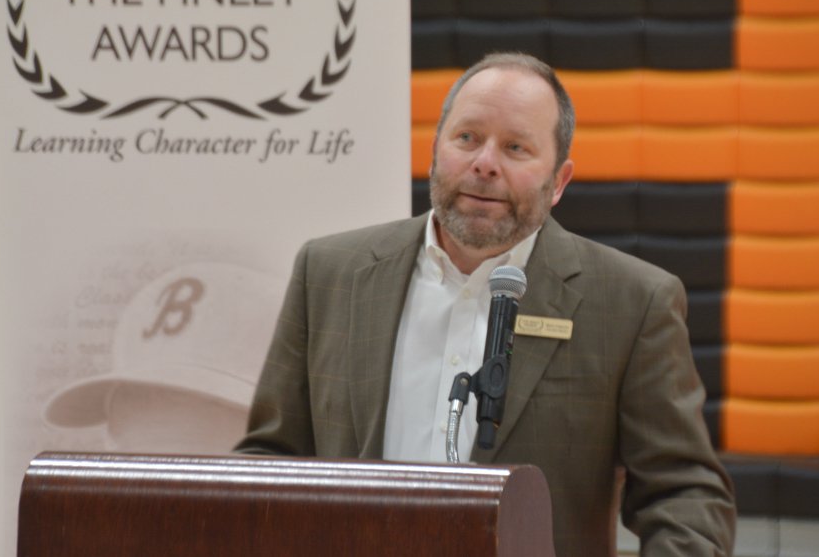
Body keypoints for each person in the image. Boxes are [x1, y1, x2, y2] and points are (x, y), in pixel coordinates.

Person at [237, 52, 736, 556]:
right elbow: (269, 462)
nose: (485, 163)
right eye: (467, 138)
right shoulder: (329, 274)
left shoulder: (630, 303)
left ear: (559, 181)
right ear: (435, 152)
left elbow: (685, 497)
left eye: (516, 147)